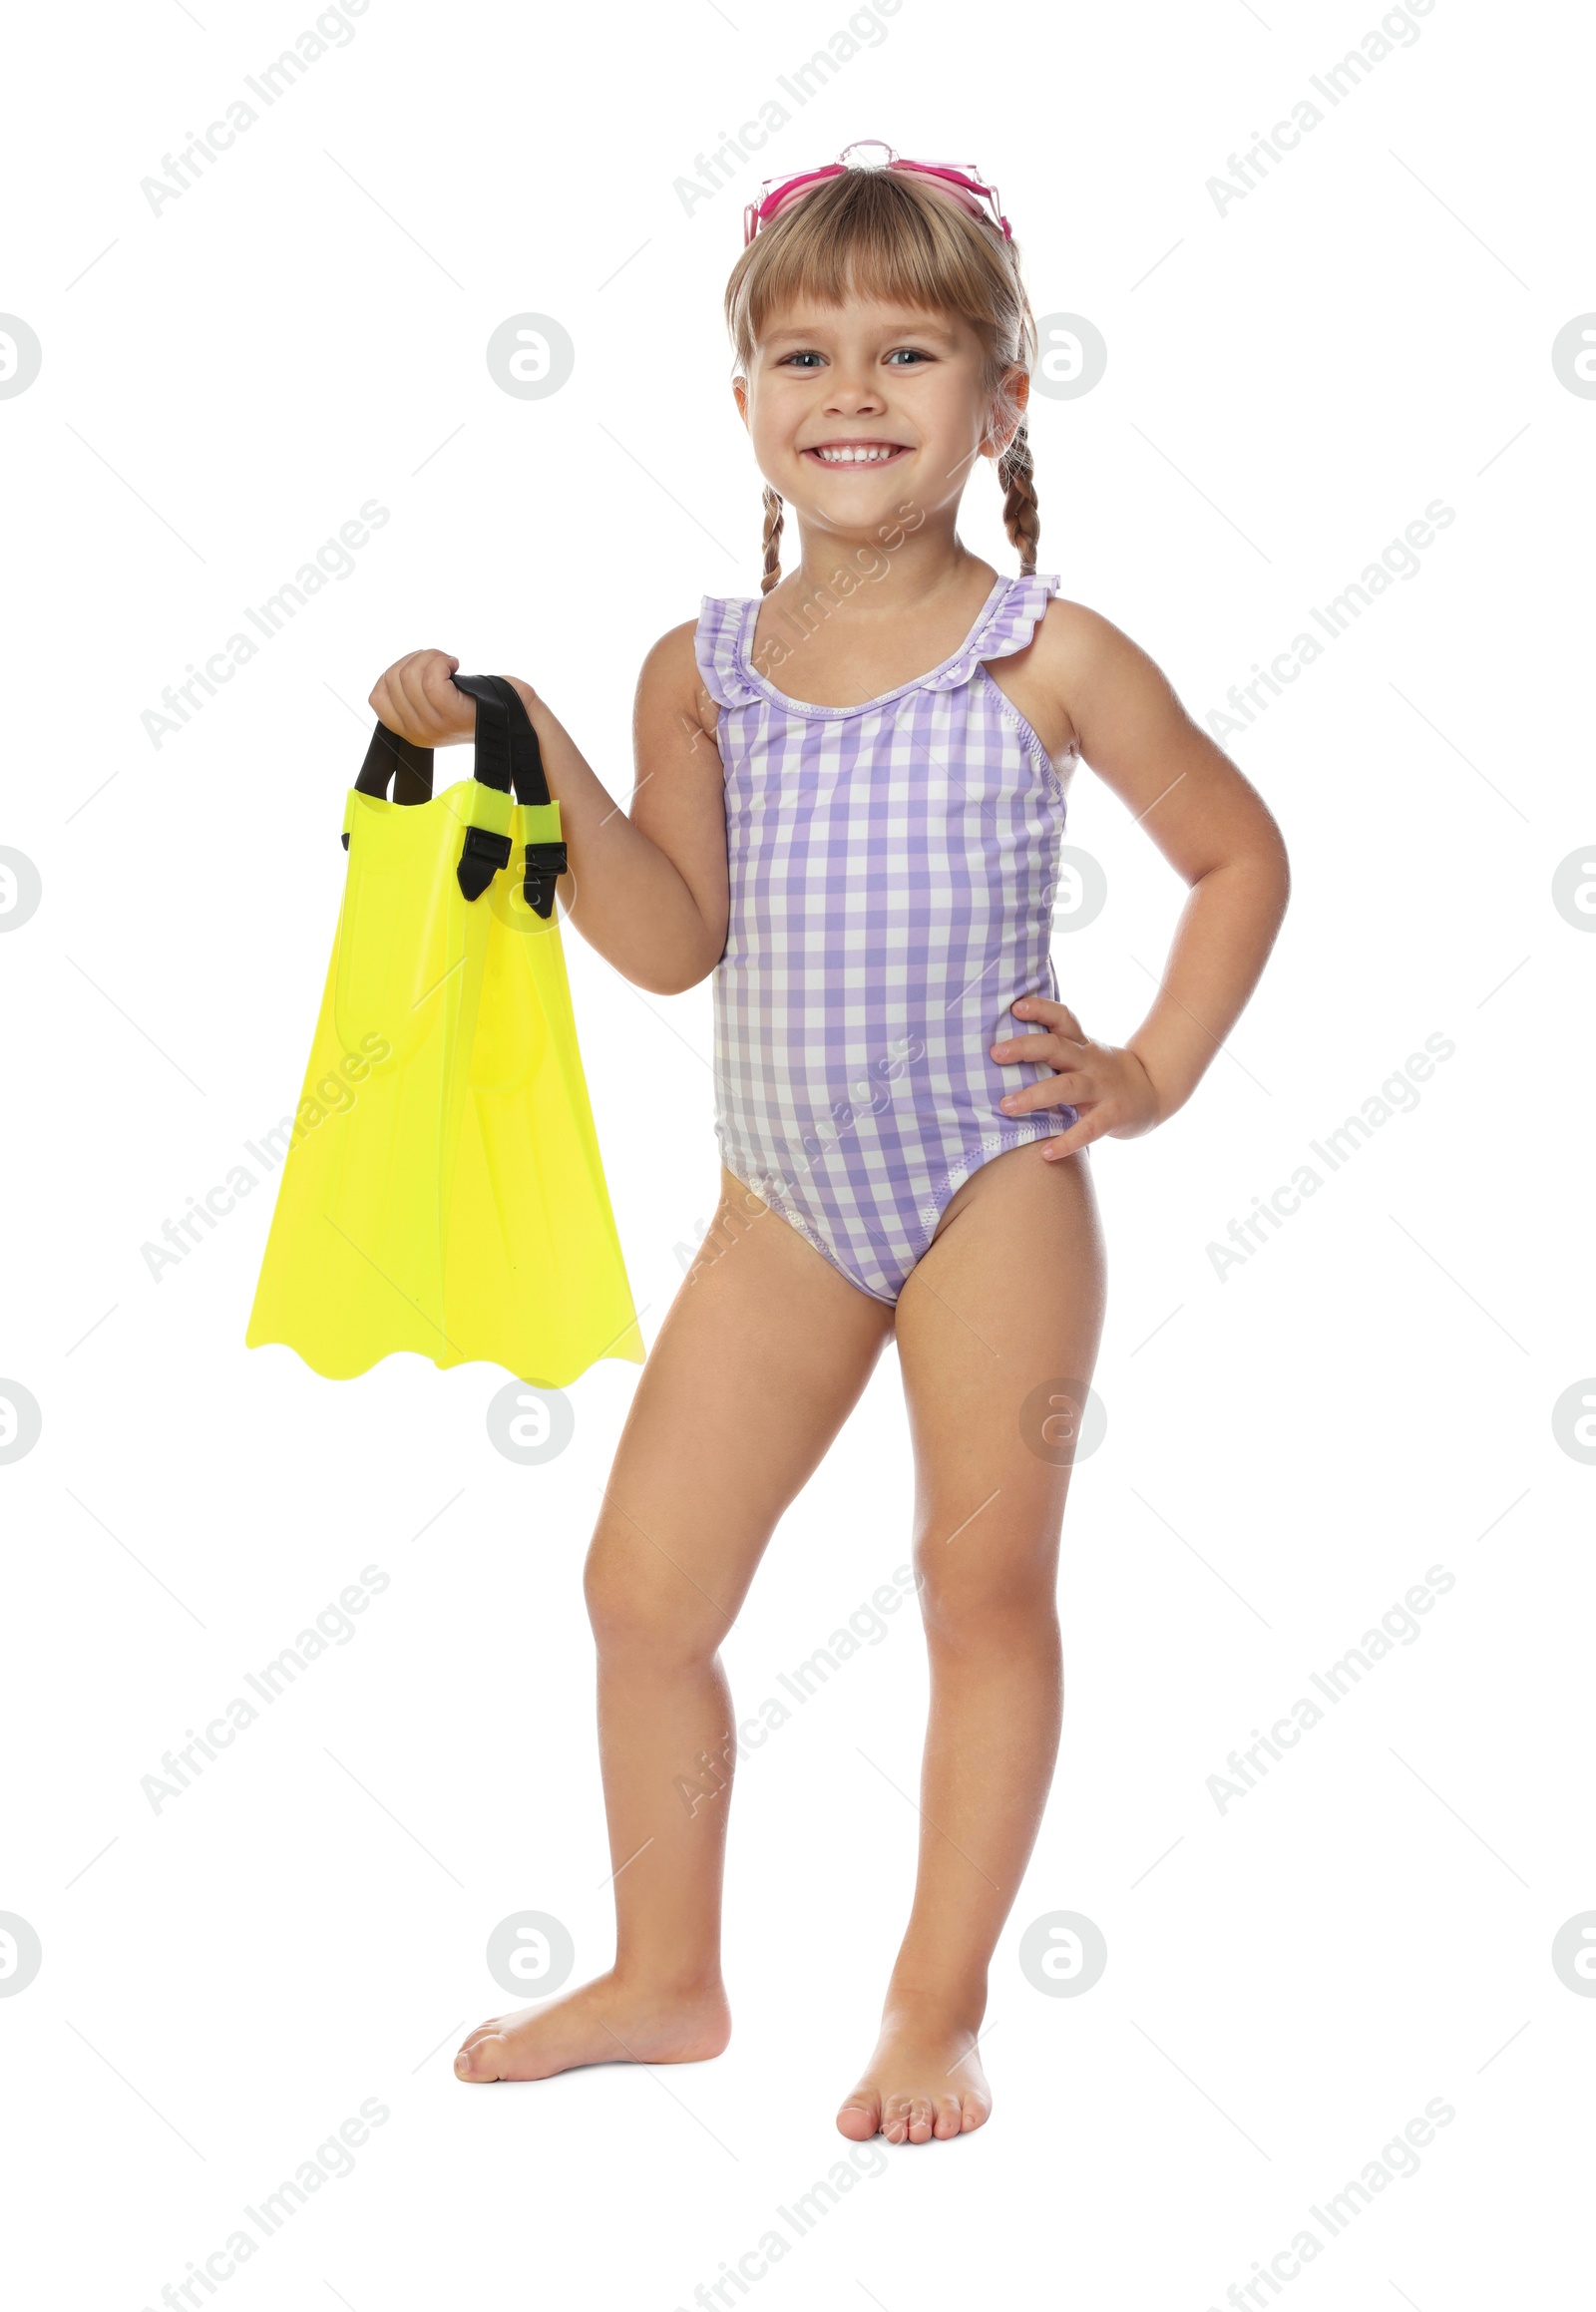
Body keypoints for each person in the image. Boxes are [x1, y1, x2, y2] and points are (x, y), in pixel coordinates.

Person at [368, 146, 1289, 2146]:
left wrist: (1140, 1073)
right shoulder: (697, 673)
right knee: (640, 1591)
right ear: (740, 405)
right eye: (802, 353)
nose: (850, 391)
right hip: (779, 1203)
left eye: (906, 352)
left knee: (976, 1590)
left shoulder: (1046, 653)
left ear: (999, 400)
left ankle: (931, 2008)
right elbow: (667, 941)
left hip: (990, 1187)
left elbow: (1235, 855)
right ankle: (664, 1974)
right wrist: (520, 741)